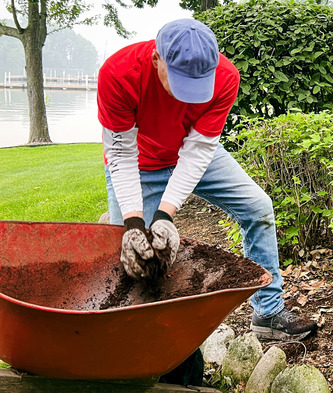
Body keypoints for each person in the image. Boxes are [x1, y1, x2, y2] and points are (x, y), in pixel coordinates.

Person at [97, 18, 316, 341]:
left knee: (258, 207)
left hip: (194, 151)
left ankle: (268, 314)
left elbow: (199, 150)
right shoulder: (119, 73)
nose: (190, 97)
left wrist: (164, 216)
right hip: (139, 162)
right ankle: (128, 342)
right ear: (157, 59)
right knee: (132, 256)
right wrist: (134, 221)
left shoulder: (225, 77)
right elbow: (121, 154)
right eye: (181, 83)